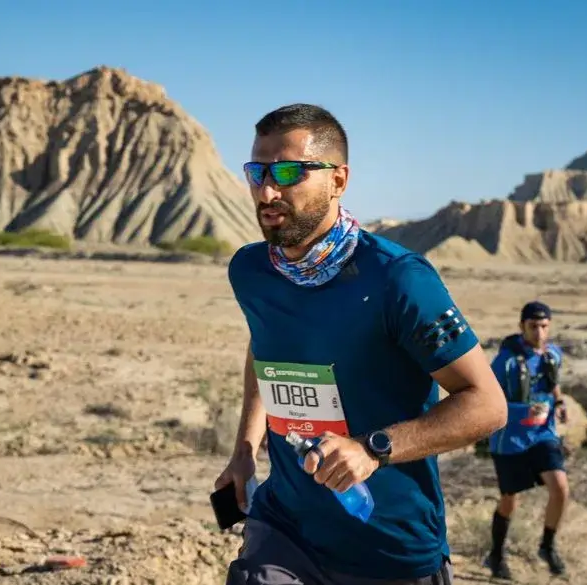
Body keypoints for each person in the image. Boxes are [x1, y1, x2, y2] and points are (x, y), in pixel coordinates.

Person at [215, 103, 508, 585]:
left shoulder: (398, 279)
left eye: (289, 172)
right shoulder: (251, 271)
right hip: (286, 527)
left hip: (388, 545)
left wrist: (372, 449)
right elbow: (264, 349)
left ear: (338, 180)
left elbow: (487, 405)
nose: (267, 191)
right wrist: (245, 447)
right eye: (257, 172)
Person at [483, 301, 569, 579]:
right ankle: (496, 555)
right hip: (510, 439)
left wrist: (559, 402)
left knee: (560, 488)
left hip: (543, 433)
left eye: (544, 326)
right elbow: (487, 401)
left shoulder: (553, 354)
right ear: (522, 327)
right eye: (534, 326)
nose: (540, 333)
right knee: (510, 501)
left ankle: (547, 545)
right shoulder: (505, 361)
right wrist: (523, 410)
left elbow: (552, 383)